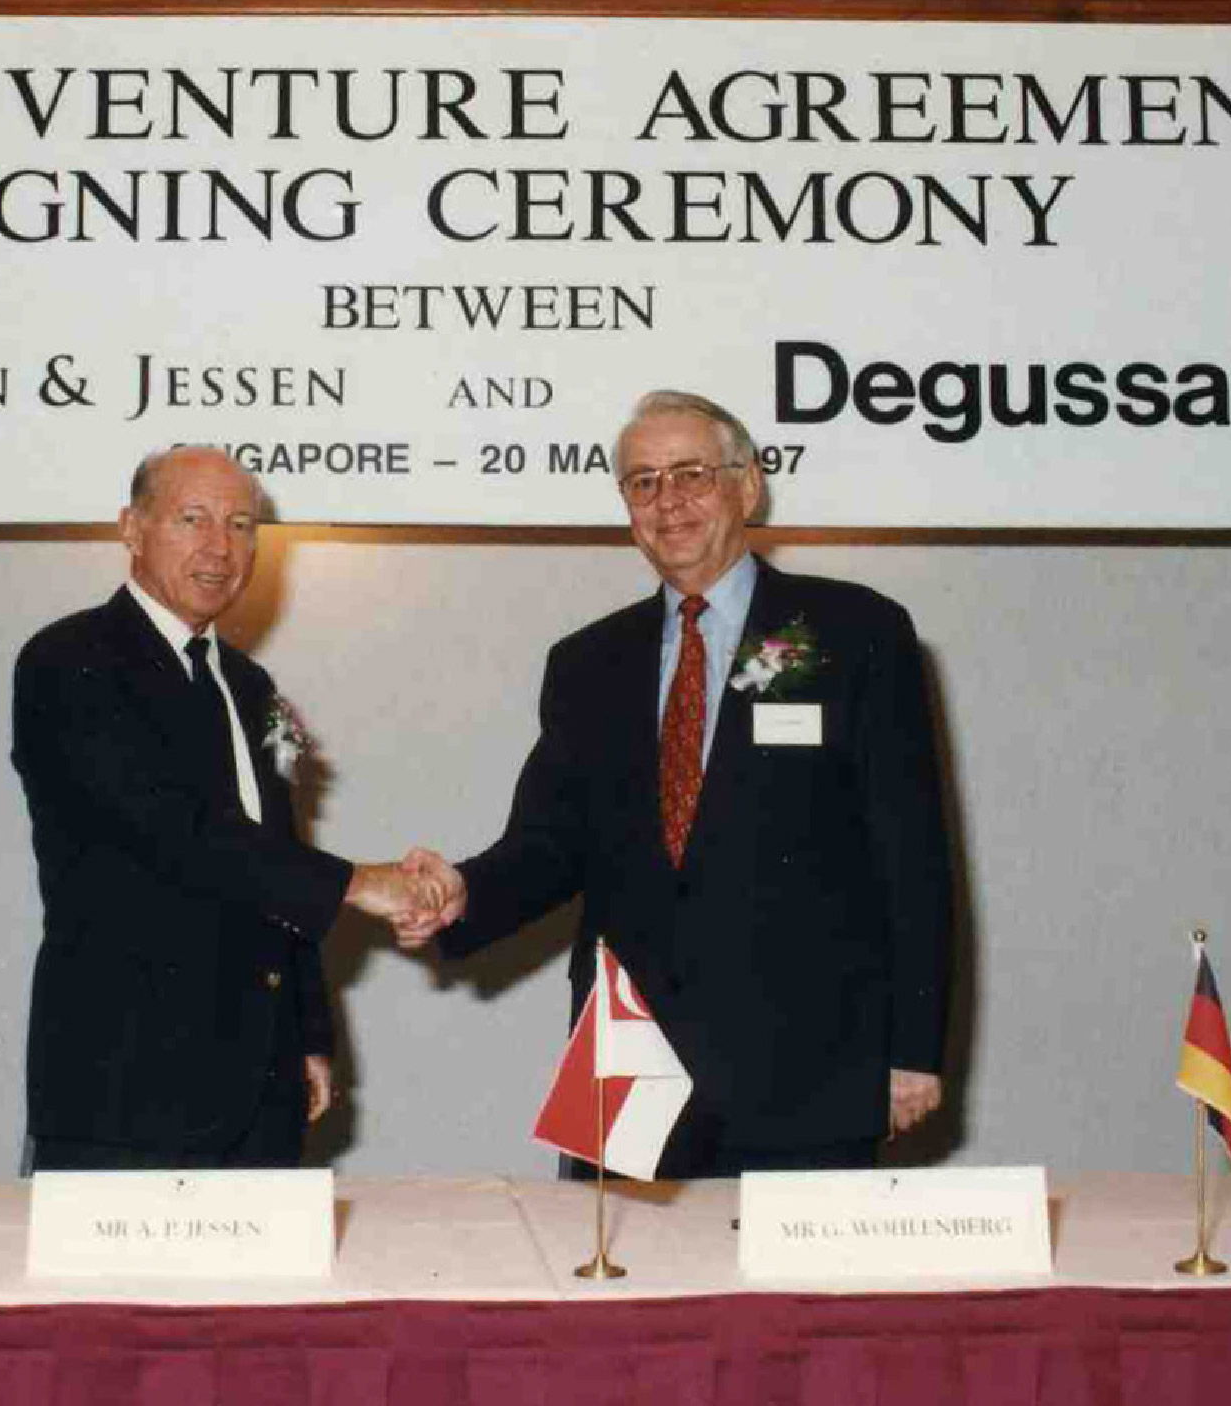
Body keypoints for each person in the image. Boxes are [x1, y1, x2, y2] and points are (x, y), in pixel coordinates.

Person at [405, 390, 954, 1177]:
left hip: (809, 1074)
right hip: (630, 1074)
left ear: (748, 486)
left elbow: (914, 856)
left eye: (692, 474)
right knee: (621, 1298)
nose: (670, 502)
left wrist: (914, 1050)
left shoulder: (857, 632)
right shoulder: (588, 662)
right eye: (644, 481)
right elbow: (549, 845)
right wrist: (457, 894)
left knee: (799, 1305)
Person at [12, 445, 431, 1170]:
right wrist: (361, 883)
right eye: (193, 519)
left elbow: (273, 859)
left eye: (241, 525)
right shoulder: (68, 661)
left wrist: (308, 1034)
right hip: (126, 1088)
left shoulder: (248, 683)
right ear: (131, 529)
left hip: (261, 1083)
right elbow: (177, 830)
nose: (220, 547)